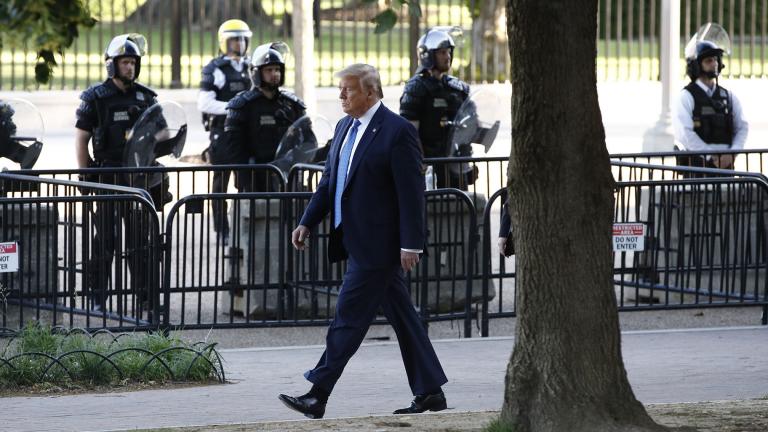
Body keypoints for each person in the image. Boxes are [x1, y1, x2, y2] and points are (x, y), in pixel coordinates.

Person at [280, 64, 448, 419]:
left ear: (371, 93)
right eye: (340, 89)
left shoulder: (397, 131)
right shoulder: (343, 127)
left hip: (380, 246)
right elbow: (329, 183)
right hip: (354, 239)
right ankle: (430, 390)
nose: (341, 96)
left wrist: (411, 243)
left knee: (348, 316)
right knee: (404, 318)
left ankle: (318, 393)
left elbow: (411, 193)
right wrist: (307, 222)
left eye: (348, 90)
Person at [74, 33, 160, 311]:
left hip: (136, 176)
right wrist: (85, 174)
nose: (130, 68)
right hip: (107, 176)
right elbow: (81, 138)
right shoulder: (95, 98)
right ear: (112, 64)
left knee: (140, 240)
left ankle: (146, 297)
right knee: (106, 239)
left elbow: (159, 135)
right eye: (125, 62)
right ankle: (97, 297)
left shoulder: (146, 98)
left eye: (133, 62)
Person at [223, 41, 306, 192]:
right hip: (255, 179)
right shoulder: (242, 105)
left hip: (288, 176)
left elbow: (307, 141)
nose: (274, 74)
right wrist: (245, 180)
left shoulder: (292, 105)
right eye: (269, 70)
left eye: (277, 70)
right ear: (257, 73)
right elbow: (233, 149)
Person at [198, 19, 252, 242]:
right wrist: (234, 108)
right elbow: (205, 103)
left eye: (243, 38)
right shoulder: (216, 69)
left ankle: (243, 225)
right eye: (235, 39)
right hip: (222, 132)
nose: (240, 43)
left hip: (246, 133)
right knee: (221, 182)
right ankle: (222, 229)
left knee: (246, 182)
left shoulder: (251, 66)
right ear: (224, 42)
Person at [399, 27, 472, 189]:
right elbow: (409, 132)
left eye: (448, 52)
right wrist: (420, 164)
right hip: (430, 168)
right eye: (442, 53)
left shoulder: (458, 88)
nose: (447, 57)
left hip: (456, 166)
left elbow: (467, 128)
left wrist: (468, 162)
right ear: (427, 55)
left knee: (461, 210)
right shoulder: (416, 88)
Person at [673, 23, 748, 171]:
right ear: (696, 65)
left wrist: (732, 154)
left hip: (726, 167)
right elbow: (684, 134)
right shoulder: (686, 97)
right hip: (697, 169)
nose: (714, 64)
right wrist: (712, 157)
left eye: (715, 60)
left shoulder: (729, 96)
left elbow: (742, 127)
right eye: (708, 61)